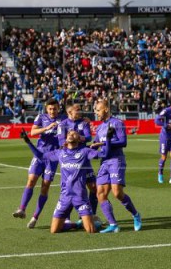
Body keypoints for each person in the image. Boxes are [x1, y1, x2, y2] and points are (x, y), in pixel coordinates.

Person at [21, 129, 111, 233]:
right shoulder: (60, 153)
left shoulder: (85, 152)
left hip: (80, 197)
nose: (71, 134)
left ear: (79, 139)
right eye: (69, 133)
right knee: (54, 230)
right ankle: (76, 225)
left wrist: (108, 138)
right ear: (66, 138)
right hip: (64, 197)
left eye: (74, 134)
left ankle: (95, 223)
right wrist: (28, 141)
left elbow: (104, 154)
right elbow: (41, 156)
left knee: (91, 230)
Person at [12, 98, 65, 229]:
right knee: (31, 181)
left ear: (58, 108)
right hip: (39, 154)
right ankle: (22, 209)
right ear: (47, 109)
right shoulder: (41, 117)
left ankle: (35, 216)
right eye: (50, 109)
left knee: (45, 187)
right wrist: (47, 128)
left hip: (53, 157)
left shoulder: (63, 120)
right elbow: (33, 132)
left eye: (55, 108)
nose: (52, 111)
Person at [91, 99, 141, 233]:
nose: (96, 113)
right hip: (104, 162)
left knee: (117, 193)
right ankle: (113, 224)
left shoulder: (117, 123)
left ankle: (136, 215)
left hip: (115, 160)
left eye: (98, 110)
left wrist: (107, 142)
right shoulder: (100, 127)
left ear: (106, 109)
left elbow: (123, 142)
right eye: (96, 110)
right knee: (100, 193)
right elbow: (96, 143)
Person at [57, 104, 98, 215]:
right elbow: (61, 142)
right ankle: (65, 217)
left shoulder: (83, 122)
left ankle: (92, 214)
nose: (80, 112)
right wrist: (76, 140)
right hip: (70, 159)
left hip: (83, 157)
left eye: (80, 109)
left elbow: (89, 137)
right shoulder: (62, 124)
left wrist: (78, 138)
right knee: (69, 189)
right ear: (70, 112)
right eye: (77, 110)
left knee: (93, 187)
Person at [155, 98, 171, 184]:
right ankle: (160, 174)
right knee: (164, 157)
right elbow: (157, 120)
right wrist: (165, 125)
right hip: (164, 138)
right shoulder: (166, 111)